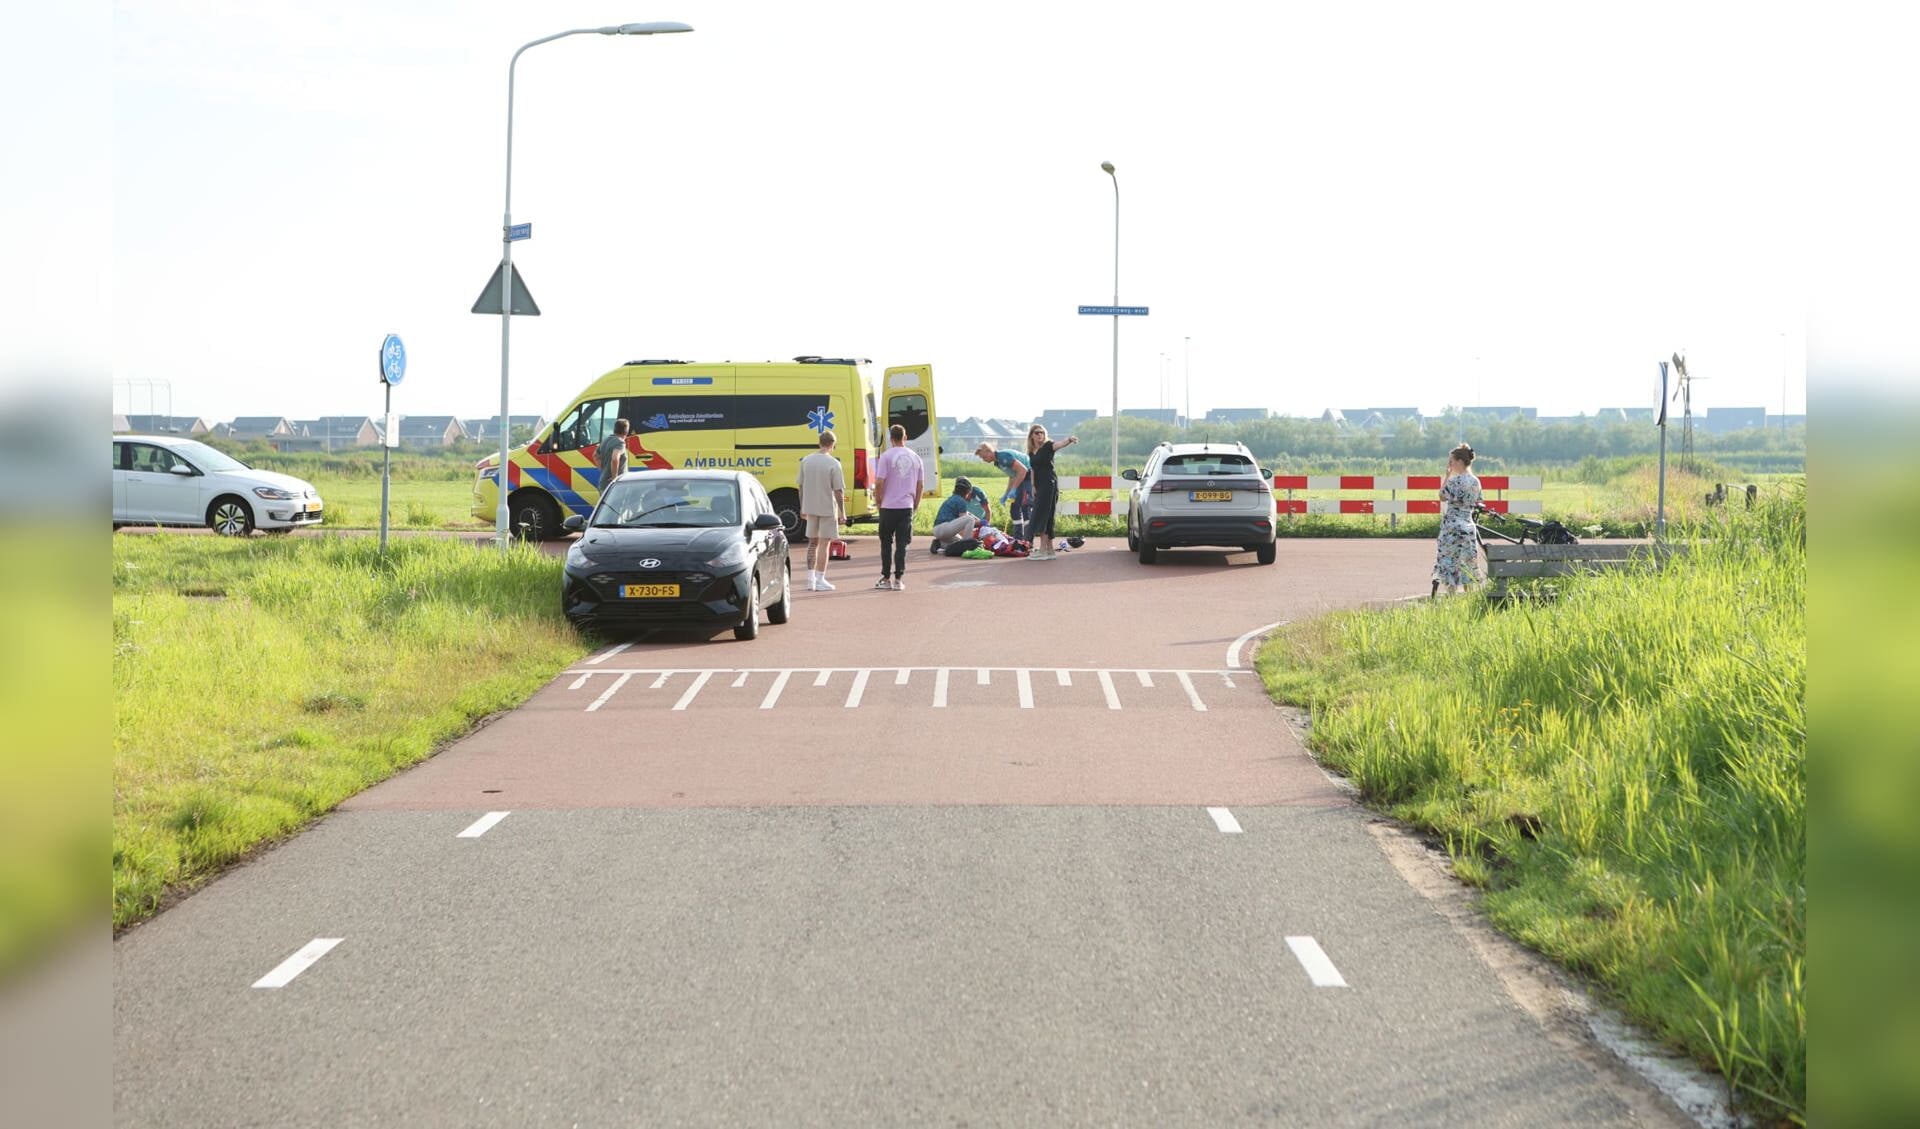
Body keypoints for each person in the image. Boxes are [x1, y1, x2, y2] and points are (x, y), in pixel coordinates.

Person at [871, 423, 925, 590]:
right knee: (902, 544)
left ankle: (886, 578)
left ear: (890, 438)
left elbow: (879, 482)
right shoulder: (916, 458)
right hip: (906, 506)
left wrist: (878, 500)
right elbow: (920, 485)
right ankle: (898, 579)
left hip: (888, 506)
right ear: (905, 437)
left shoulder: (886, 457)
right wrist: (915, 504)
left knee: (886, 543)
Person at [798, 429, 847, 591]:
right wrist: (842, 512)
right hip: (826, 508)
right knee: (825, 544)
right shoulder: (834, 463)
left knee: (812, 543)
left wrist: (802, 507)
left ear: (819, 443)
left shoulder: (806, 461)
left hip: (810, 507)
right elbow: (838, 491)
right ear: (832, 445)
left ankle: (810, 579)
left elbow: (801, 486)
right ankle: (820, 578)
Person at [1433, 442, 1483, 596]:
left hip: (1453, 526)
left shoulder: (1454, 481)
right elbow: (1479, 500)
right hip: (1468, 525)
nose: (1450, 464)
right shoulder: (1476, 481)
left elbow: (1442, 496)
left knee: (1450, 562)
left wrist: (1447, 476)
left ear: (1460, 461)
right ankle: (1470, 595)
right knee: (1468, 562)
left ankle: (1451, 596)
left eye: (1452, 461)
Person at [1024, 424, 1077, 560]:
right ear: (1031, 435)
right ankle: (1049, 550)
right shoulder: (1031, 452)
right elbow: (1033, 470)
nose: (1040, 434)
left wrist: (1069, 440)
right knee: (1045, 514)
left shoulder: (1048, 446)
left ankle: (1042, 550)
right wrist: (1033, 486)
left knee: (1043, 514)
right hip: (1039, 485)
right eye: (1037, 433)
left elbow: (1059, 445)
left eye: (1042, 432)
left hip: (1049, 483)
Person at [975, 441, 1032, 538]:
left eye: (984, 457)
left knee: (1025, 508)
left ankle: (1028, 540)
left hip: (1030, 475)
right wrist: (1006, 493)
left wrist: (1014, 489)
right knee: (1014, 509)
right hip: (1023, 476)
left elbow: (1023, 470)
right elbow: (1013, 476)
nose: (983, 460)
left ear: (989, 451)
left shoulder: (1003, 457)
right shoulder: (997, 462)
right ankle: (1018, 538)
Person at [930, 476, 990, 552]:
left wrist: (979, 521)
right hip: (945, 528)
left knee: (958, 542)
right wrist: (980, 522)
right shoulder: (961, 501)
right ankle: (967, 545)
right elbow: (965, 519)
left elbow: (967, 514)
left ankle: (939, 543)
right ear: (967, 492)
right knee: (969, 520)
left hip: (938, 530)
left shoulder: (952, 498)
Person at [597, 418, 631, 488]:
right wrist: (614, 478)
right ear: (626, 431)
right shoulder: (620, 442)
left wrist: (604, 471)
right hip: (615, 487)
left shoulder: (606, 440)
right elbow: (615, 458)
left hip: (603, 483)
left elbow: (595, 455)